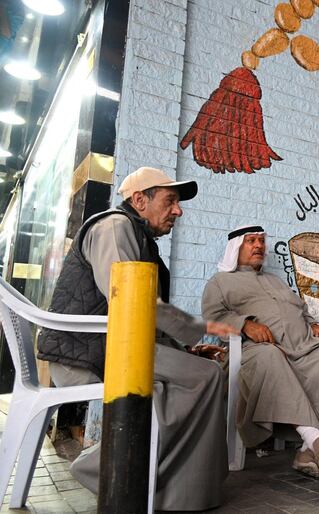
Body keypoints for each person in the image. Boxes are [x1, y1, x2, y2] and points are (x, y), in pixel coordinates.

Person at [37, 166, 235, 511]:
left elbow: (143, 320)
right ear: (139, 200)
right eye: (170, 200)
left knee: (194, 374)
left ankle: (167, 487)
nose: (178, 210)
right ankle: (101, 470)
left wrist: (185, 348)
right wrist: (199, 326)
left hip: (114, 346)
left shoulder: (136, 235)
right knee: (205, 377)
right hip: (87, 354)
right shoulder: (115, 227)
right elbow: (131, 302)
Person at [202, 226, 319, 479]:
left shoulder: (275, 280)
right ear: (236, 247)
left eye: (261, 241)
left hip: (301, 348)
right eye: (251, 241)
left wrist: (313, 324)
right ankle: (314, 437)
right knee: (271, 356)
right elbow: (212, 318)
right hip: (255, 351)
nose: (259, 245)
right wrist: (245, 325)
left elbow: (300, 310)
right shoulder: (220, 282)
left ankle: (307, 451)